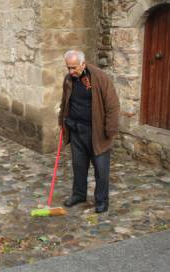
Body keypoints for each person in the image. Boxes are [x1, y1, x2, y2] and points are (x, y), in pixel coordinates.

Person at [58, 50, 120, 213]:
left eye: (73, 68)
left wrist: (110, 130)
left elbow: (112, 105)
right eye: (68, 68)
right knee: (79, 166)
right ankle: (79, 195)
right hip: (76, 130)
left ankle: (101, 201)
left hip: (97, 132)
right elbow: (65, 102)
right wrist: (62, 122)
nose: (71, 72)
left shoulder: (99, 78)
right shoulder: (68, 79)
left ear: (83, 64)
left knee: (101, 169)